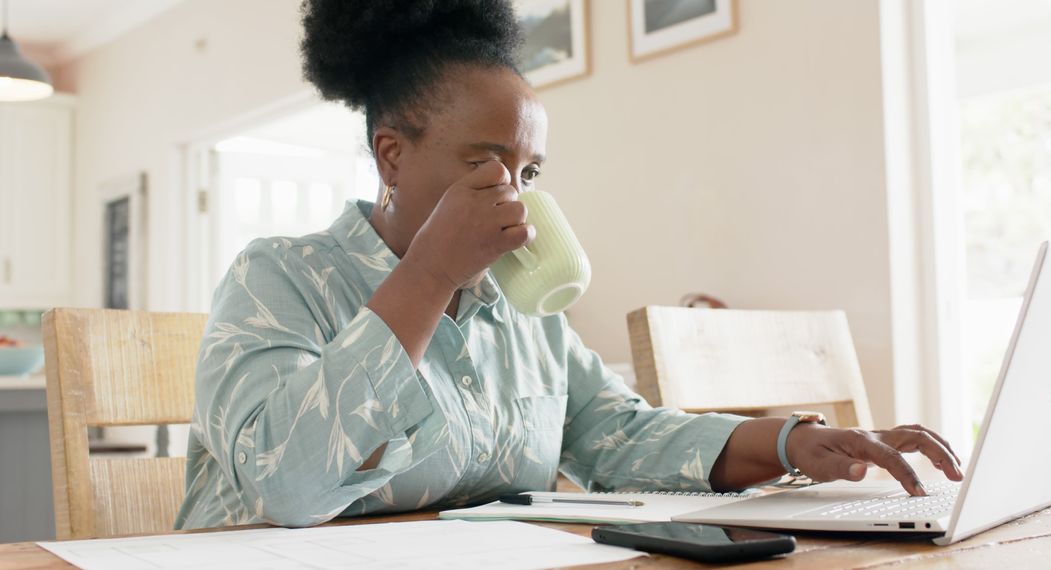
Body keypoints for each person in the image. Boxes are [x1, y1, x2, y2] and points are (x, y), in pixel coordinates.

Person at [174, 0, 964, 530]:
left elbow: (613, 433)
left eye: (529, 174)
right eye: (486, 164)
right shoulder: (278, 279)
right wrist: (427, 277)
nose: (513, 196)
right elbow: (283, 486)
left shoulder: (519, 309)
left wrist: (791, 444)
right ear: (391, 156)